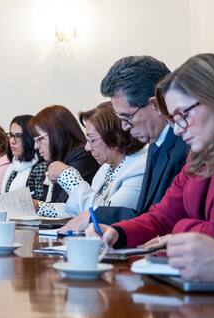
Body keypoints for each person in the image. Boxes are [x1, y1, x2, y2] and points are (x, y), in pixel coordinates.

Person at [87, 53, 214, 248]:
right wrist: (118, 233)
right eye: (173, 118)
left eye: (183, 115)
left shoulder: (188, 153)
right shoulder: (197, 161)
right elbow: (162, 218)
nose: (177, 129)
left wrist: (179, 228)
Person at [65, 56, 188, 230]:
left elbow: (168, 218)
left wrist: (98, 216)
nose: (124, 126)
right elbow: (149, 214)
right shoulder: (156, 143)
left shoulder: (186, 147)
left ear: (156, 104)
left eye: (127, 117)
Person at [37, 102, 147, 218]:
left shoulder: (139, 167)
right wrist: (39, 207)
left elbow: (106, 215)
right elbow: (79, 210)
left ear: (115, 136)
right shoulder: (106, 168)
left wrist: (68, 176)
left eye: (93, 140)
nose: (87, 148)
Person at [29, 105, 99, 206]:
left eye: (40, 138)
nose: (36, 146)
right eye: (35, 140)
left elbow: (65, 205)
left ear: (58, 133)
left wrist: (39, 206)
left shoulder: (82, 155)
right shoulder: (54, 160)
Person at [0, 115, 47, 201]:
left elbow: (42, 203)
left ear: (30, 138)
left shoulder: (40, 167)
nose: (12, 141)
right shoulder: (14, 165)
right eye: (11, 135)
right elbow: (6, 197)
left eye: (18, 136)